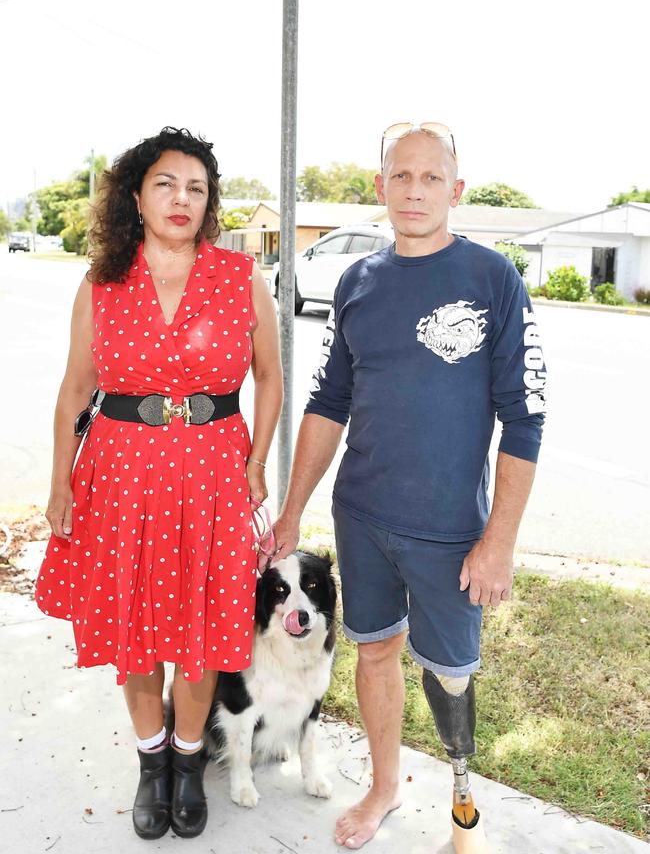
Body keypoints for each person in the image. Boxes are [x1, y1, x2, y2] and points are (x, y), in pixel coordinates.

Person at [272, 122, 546, 852]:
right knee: (374, 651)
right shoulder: (358, 281)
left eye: (432, 178)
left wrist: (499, 543)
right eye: (402, 176)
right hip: (362, 516)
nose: (416, 190)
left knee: (453, 674)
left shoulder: (493, 279)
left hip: (451, 529)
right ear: (381, 186)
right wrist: (293, 508)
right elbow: (329, 401)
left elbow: (524, 421)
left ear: (456, 190)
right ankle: (385, 786)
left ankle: (462, 803)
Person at [35, 127, 283, 841]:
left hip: (212, 478)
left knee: (203, 631)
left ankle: (186, 760)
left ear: (210, 204)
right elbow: (74, 391)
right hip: (118, 476)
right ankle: (151, 765)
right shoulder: (103, 282)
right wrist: (61, 484)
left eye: (197, 187)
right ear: (137, 198)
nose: (182, 198)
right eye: (166, 184)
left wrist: (257, 459)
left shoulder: (239, 279)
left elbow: (269, 377)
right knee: (137, 628)